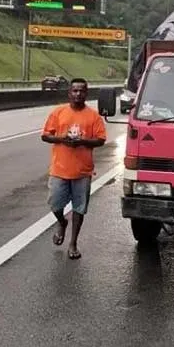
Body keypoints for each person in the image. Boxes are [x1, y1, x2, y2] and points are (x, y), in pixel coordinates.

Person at [41, 78, 107, 259]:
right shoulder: (59, 112)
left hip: (82, 171)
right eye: (75, 91)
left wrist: (83, 141)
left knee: (79, 208)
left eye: (82, 91)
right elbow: (45, 136)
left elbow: (101, 140)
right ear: (69, 93)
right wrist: (62, 139)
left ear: (86, 93)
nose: (78, 94)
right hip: (59, 169)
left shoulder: (93, 116)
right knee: (54, 203)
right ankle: (61, 222)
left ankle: (73, 243)